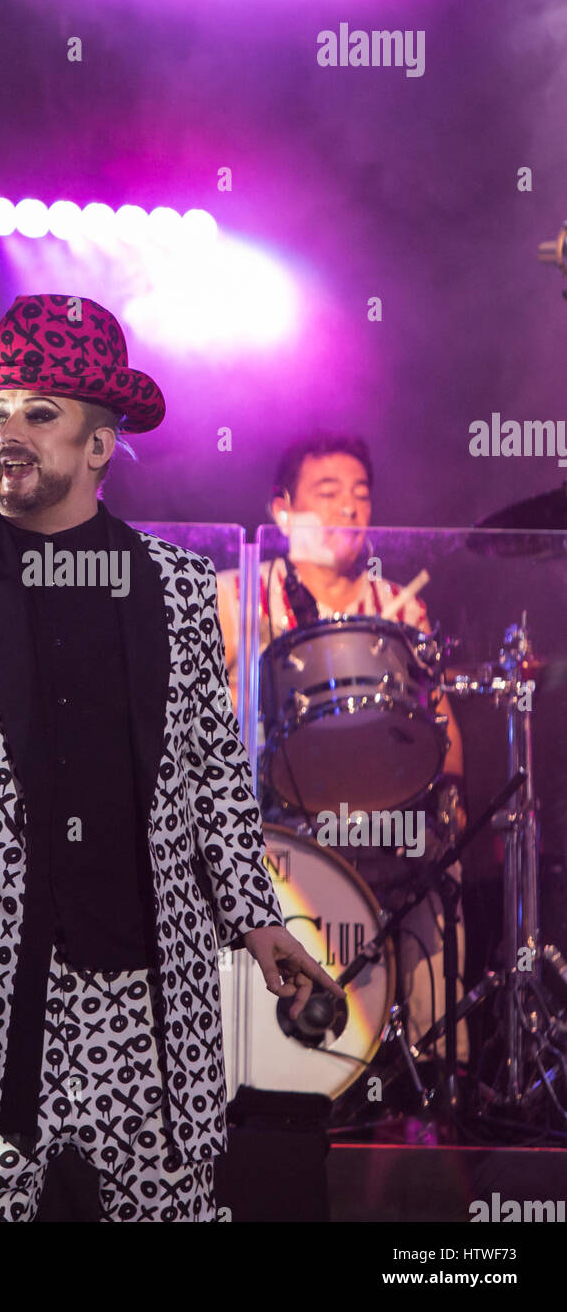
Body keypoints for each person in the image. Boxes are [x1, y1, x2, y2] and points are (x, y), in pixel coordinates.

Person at [0, 293, 344, 1221]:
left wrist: (257, 920)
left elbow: (213, 777)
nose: (9, 432)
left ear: (99, 448)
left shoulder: (173, 585)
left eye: (41, 412)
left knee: (169, 1213)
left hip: (139, 979)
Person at [217, 432, 467, 1068]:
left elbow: (441, 722)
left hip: (386, 821)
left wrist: (453, 800)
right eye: (328, 495)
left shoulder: (399, 607)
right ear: (283, 509)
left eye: (361, 496)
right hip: (271, 824)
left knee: (440, 861)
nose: (349, 510)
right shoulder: (237, 595)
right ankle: (249, 1072)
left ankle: (436, 1074)